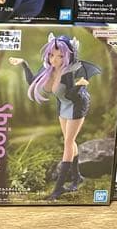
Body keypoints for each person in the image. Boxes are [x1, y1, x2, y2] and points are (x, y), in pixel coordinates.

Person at [9, 33, 100, 199]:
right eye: (51, 55)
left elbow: (72, 95)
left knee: (68, 143)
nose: (54, 59)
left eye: (60, 56)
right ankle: (77, 177)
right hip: (63, 105)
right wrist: (24, 63)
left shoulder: (69, 72)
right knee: (69, 140)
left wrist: (79, 85)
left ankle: (58, 188)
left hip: (76, 105)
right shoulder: (48, 70)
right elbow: (32, 81)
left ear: (68, 56)